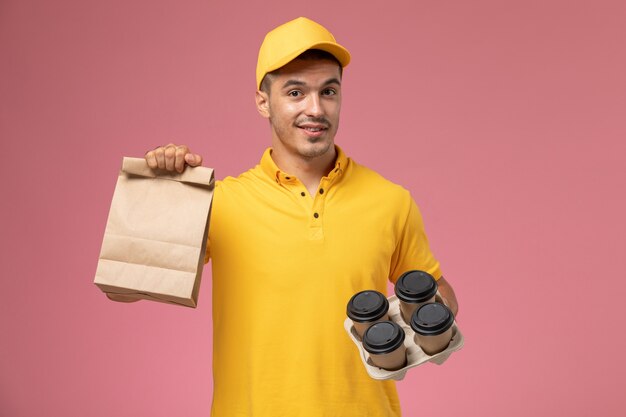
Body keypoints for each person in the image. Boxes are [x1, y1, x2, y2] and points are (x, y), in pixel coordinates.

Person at [145, 17, 458, 417]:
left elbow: (438, 298)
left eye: (328, 91)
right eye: (295, 92)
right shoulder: (221, 202)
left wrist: (432, 314)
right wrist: (159, 191)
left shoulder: (391, 200)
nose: (315, 109)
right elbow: (127, 285)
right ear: (263, 102)